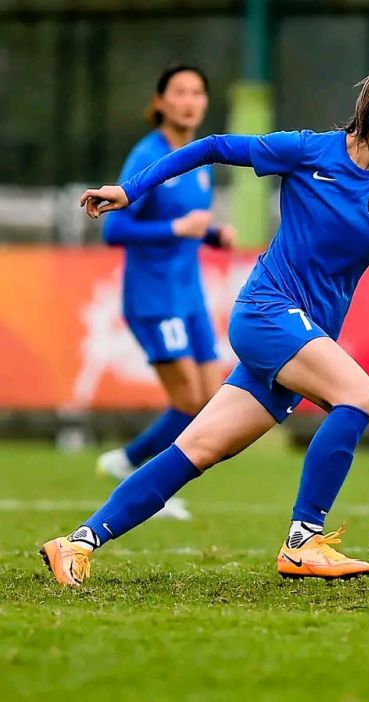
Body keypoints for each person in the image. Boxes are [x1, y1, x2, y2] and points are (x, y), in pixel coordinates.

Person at [40, 59, 369, 587]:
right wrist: (130, 190)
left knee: (196, 450)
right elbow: (213, 146)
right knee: (360, 395)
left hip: (302, 335)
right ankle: (304, 539)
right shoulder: (309, 151)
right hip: (266, 312)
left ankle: (76, 543)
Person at [97, 65, 237, 521]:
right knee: (189, 402)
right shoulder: (147, 155)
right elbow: (113, 227)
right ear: (160, 102)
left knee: (207, 399)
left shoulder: (196, 160)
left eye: (197, 92)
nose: (190, 101)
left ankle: (129, 463)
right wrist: (177, 227)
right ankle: (138, 478)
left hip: (189, 295)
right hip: (154, 297)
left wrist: (211, 235)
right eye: (179, 92)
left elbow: (187, 225)